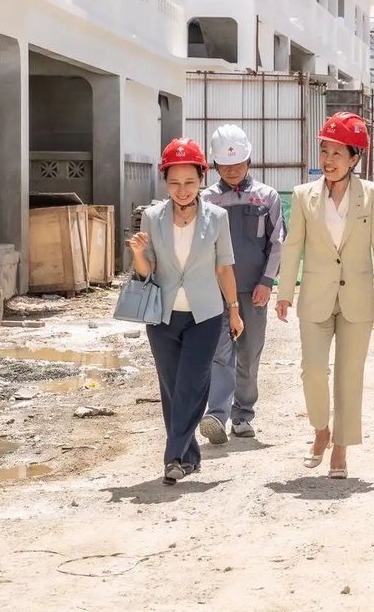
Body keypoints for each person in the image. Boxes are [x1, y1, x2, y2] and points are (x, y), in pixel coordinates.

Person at [275, 112, 374, 479]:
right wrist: (285, 292)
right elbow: (292, 245)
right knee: (312, 370)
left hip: (358, 298)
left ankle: (341, 447)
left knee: (349, 375)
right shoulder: (302, 196)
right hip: (315, 295)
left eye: (337, 153)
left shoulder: (371, 195)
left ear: (354, 158)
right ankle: (320, 431)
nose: (328, 160)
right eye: (324, 151)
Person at [129, 138, 243, 485]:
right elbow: (145, 272)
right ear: (165, 181)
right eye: (175, 182)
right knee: (172, 388)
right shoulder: (151, 217)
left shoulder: (217, 218)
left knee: (193, 384)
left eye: (190, 182)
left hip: (205, 316)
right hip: (162, 317)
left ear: (201, 179)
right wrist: (137, 253)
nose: (182, 190)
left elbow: (224, 268)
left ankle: (173, 456)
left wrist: (234, 311)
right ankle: (189, 456)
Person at [199, 124, 286, 444]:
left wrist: (267, 281)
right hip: (215, 292)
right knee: (220, 354)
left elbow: (278, 243)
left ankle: (243, 415)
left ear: (249, 160)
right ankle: (217, 415)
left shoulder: (267, 197)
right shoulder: (206, 199)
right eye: (225, 165)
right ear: (215, 165)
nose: (232, 170)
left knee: (248, 354)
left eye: (238, 164)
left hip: (254, 291)